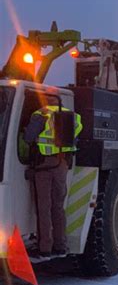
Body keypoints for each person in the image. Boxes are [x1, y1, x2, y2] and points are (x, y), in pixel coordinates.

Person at [24, 105, 82, 262]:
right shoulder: (72, 116)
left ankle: (44, 249)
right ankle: (61, 246)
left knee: (44, 208)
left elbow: (28, 138)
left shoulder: (40, 114)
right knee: (58, 207)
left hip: (44, 165)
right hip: (62, 164)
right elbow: (75, 139)